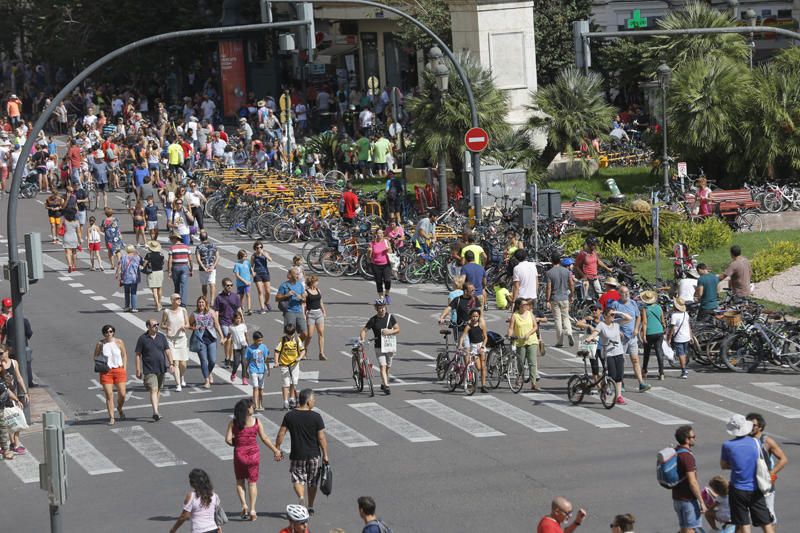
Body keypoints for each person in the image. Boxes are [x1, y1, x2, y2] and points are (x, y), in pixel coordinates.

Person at [225, 398, 282, 522]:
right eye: (252, 407)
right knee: (252, 482)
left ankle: (244, 504)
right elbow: (264, 438)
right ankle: (252, 509)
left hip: (239, 454)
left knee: (240, 481)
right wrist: (275, 450)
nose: (253, 408)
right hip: (254, 455)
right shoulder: (256, 421)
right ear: (247, 410)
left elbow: (228, 440)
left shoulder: (234, 423)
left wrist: (237, 444)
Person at [275, 389, 329, 516]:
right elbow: (321, 437)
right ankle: (310, 506)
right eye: (314, 399)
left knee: (297, 479)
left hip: (297, 454)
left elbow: (281, 433)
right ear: (308, 401)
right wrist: (325, 454)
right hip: (314, 455)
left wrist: (277, 448)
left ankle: (301, 497)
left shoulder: (290, 416)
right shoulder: (316, 417)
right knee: (313, 481)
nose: (314, 401)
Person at [721, 414, 776, 532]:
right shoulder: (755, 442)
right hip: (756, 487)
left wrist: (735, 464)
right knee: (766, 522)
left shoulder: (727, 445)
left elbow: (724, 465)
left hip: (737, 489)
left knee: (744, 523)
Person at [746, 413, 788, 525]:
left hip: (764, 484)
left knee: (769, 517)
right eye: (748, 424)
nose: (750, 427)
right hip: (747, 484)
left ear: (760, 427)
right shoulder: (744, 440)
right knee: (742, 519)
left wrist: (771, 473)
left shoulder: (766, 441)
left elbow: (783, 459)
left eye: (753, 425)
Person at [585, 306, 631, 404]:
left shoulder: (616, 323)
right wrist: (589, 338)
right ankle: (603, 390)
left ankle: (618, 396)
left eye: (614, 315)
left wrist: (617, 312)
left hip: (619, 352)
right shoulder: (601, 325)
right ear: (605, 316)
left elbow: (629, 318)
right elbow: (595, 333)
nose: (613, 316)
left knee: (619, 376)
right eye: (611, 314)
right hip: (608, 354)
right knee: (612, 375)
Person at [609, 285, 650, 392]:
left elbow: (638, 316)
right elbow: (610, 319)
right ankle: (620, 382)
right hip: (621, 337)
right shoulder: (615, 304)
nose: (626, 294)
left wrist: (636, 328)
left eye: (627, 292)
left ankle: (641, 383)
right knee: (620, 361)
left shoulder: (632, 303)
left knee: (635, 359)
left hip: (632, 336)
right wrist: (617, 331)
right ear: (619, 294)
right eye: (624, 292)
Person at [134, 319, 174, 421]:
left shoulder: (161, 337)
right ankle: (155, 412)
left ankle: (156, 409)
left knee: (158, 390)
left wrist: (171, 364)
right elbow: (138, 355)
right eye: (154, 325)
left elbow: (168, 351)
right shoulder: (142, 339)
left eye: (157, 324)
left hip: (161, 368)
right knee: (154, 389)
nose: (156, 326)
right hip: (149, 369)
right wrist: (138, 369)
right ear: (148, 327)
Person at [361, 298, 400, 395]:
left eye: (383, 307)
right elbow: (363, 330)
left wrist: (390, 331)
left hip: (389, 346)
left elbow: (398, 329)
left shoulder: (391, 317)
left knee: (388, 367)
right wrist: (362, 339)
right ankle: (386, 386)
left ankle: (383, 382)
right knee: (382, 366)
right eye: (380, 308)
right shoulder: (373, 320)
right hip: (379, 347)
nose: (382, 309)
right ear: (376, 308)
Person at [671, 425, 705, 533]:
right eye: (693, 436)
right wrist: (701, 501)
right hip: (688, 500)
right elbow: (692, 482)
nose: (695, 438)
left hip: (677, 498)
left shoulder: (675, 451)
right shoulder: (687, 456)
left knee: (684, 528)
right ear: (687, 439)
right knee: (690, 529)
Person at [92, 325, 128, 425]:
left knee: (123, 394)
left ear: (113, 332)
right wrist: (100, 364)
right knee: (109, 395)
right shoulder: (100, 344)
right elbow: (95, 356)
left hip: (119, 370)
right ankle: (112, 417)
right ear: (104, 334)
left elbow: (124, 355)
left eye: (111, 331)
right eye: (106, 332)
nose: (109, 334)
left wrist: (124, 368)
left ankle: (119, 408)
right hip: (106, 372)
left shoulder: (119, 342)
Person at [168, 468, 222, 533]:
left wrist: (173, 530)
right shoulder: (214, 496)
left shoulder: (192, 496)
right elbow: (215, 514)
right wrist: (219, 527)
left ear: (193, 483)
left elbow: (184, 516)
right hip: (213, 529)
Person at [189, 296, 222, 389]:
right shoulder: (194, 314)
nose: (201, 304)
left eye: (202, 302)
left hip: (211, 339)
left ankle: (208, 372)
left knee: (212, 360)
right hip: (200, 339)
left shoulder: (211, 312)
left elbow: (217, 324)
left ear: (206, 303)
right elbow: (188, 324)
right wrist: (193, 328)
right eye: (199, 302)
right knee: (203, 360)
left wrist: (222, 337)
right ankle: (206, 380)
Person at [507, 298, 540, 391]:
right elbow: (511, 328)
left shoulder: (530, 314)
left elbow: (535, 326)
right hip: (520, 342)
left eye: (527, 305)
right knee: (520, 363)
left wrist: (528, 334)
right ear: (519, 306)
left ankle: (533, 383)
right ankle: (519, 380)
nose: (526, 306)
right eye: (524, 305)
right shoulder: (515, 315)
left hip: (532, 341)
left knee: (532, 362)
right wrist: (509, 335)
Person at [0, 347, 28, 454]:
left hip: (11, 394)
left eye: (1, 352)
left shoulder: (14, 363)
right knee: (6, 419)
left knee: (14, 417)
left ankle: (14, 444)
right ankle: (13, 444)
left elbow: (19, 377)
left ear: (7, 351)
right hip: (3, 394)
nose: (0, 355)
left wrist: (25, 392)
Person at [161, 294, 190, 391]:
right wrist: (167, 327)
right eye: (177, 298)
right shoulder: (166, 311)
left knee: (183, 364)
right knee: (175, 363)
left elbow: (188, 324)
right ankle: (178, 384)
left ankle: (181, 376)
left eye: (180, 298)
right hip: (170, 339)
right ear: (172, 300)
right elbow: (162, 325)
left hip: (181, 339)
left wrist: (184, 327)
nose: (179, 300)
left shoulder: (183, 310)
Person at [546, 254, 575, 347]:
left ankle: (560, 341)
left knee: (558, 320)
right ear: (560, 261)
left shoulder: (549, 272)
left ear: (552, 261)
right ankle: (569, 332)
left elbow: (549, 288)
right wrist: (571, 295)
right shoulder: (567, 271)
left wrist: (547, 300)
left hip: (555, 298)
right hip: (565, 297)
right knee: (566, 317)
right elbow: (571, 284)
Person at [214, 278, 241, 369]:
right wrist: (216, 322)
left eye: (231, 285)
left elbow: (238, 309)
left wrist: (242, 321)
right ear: (223, 286)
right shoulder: (219, 298)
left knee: (233, 341)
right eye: (227, 285)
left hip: (233, 322)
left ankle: (231, 358)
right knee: (228, 339)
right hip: (224, 321)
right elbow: (216, 311)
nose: (230, 287)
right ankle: (227, 358)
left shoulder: (235, 296)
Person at [459, 307, 488, 393]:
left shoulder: (481, 325)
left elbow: (486, 337)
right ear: (470, 317)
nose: (475, 318)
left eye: (476, 316)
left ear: (479, 317)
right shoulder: (469, 326)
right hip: (474, 347)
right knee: (478, 367)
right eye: (473, 316)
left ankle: (483, 386)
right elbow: (463, 336)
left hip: (481, 346)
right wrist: (460, 344)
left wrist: (483, 346)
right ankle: (473, 381)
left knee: (483, 367)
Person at [277, 323, 306, 409]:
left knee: (294, 382)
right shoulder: (282, 340)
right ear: (285, 333)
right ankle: (285, 401)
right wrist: (276, 362)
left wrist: (299, 357)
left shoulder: (297, 340)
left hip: (294, 364)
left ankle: (292, 398)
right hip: (284, 364)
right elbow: (277, 351)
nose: (290, 336)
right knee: (286, 383)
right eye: (288, 335)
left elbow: (303, 350)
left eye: (292, 334)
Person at [640, 290, 666, 381]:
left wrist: (643, 335)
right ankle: (661, 372)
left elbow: (644, 322)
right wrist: (664, 328)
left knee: (646, 352)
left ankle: (644, 370)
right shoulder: (659, 307)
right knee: (659, 351)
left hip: (649, 332)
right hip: (659, 331)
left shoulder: (644, 309)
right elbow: (663, 320)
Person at [277, 267, 307, 344]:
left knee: (304, 333)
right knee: (290, 334)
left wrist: (303, 298)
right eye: (296, 274)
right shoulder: (284, 285)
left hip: (299, 311)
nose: (298, 276)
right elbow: (277, 298)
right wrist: (286, 295)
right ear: (290, 275)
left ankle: (296, 346)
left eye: (298, 274)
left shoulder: (300, 285)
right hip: (289, 311)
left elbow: (304, 298)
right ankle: (288, 350)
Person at [368, 227, 394, 303]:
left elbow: (391, 252)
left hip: (386, 264)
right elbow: (369, 257)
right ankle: (381, 298)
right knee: (379, 282)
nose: (380, 235)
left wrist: (388, 249)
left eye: (381, 233)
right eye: (378, 233)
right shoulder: (372, 243)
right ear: (375, 234)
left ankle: (387, 294)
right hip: (375, 265)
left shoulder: (386, 242)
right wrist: (369, 252)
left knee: (387, 280)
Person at [305, 275, 328, 361]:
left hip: (319, 313)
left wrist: (324, 311)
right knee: (310, 335)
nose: (317, 283)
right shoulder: (306, 292)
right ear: (312, 283)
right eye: (316, 282)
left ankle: (321, 353)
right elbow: (304, 304)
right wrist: (305, 313)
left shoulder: (318, 290)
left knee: (321, 333)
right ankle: (305, 350)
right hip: (311, 314)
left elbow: (320, 301)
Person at [245, 331, 270, 411]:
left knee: (261, 388)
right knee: (255, 387)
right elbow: (247, 360)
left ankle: (260, 404)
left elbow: (266, 359)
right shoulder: (250, 348)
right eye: (258, 340)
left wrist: (268, 369)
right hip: (253, 370)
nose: (260, 342)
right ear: (254, 340)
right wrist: (245, 371)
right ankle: (255, 404)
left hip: (262, 370)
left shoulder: (264, 347)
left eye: (261, 340)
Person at [167, 232, 193, 306]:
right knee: (184, 285)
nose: (171, 240)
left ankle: (177, 301)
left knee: (177, 285)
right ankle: (183, 303)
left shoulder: (172, 248)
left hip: (175, 267)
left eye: (172, 238)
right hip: (185, 267)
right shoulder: (186, 247)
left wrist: (169, 271)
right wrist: (191, 269)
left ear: (175, 238)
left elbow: (170, 260)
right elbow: (190, 259)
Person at [668, 297, 692, 379]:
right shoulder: (686, 314)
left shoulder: (674, 315)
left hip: (679, 337)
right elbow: (688, 326)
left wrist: (669, 338)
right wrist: (691, 336)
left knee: (681, 354)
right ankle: (685, 368)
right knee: (684, 353)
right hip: (687, 336)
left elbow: (672, 328)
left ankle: (684, 370)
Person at [117, 244, 142, 313]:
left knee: (126, 292)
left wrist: (117, 273)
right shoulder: (137, 257)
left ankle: (126, 307)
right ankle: (134, 307)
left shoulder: (124, 257)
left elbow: (119, 265)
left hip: (126, 277)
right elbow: (142, 264)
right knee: (133, 293)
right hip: (134, 277)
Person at [195, 230, 219, 301]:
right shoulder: (213, 245)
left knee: (204, 284)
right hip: (212, 268)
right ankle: (212, 301)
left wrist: (203, 267)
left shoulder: (199, 247)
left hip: (203, 269)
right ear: (207, 237)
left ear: (200, 238)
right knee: (212, 284)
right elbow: (218, 256)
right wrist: (213, 266)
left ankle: (205, 299)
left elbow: (198, 259)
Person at [250, 240, 273, 313]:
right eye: (257, 247)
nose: (259, 249)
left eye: (260, 247)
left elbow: (270, 260)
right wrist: (252, 272)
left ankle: (266, 302)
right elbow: (251, 265)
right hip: (257, 274)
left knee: (268, 291)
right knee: (260, 291)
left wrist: (263, 253)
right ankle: (262, 308)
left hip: (265, 273)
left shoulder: (265, 253)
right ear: (255, 248)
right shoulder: (253, 256)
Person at [143, 240, 165, 311]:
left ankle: (157, 305)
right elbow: (162, 263)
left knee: (154, 290)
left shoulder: (148, 255)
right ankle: (160, 303)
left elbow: (144, 264)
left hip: (152, 272)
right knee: (159, 288)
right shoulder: (161, 255)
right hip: (160, 272)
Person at [60, 208, 82, 273]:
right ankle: (74, 265)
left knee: (68, 253)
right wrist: (80, 239)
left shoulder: (65, 221)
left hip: (66, 237)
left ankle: (69, 264)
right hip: (74, 238)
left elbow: (59, 226)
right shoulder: (76, 222)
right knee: (74, 252)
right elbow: (78, 232)